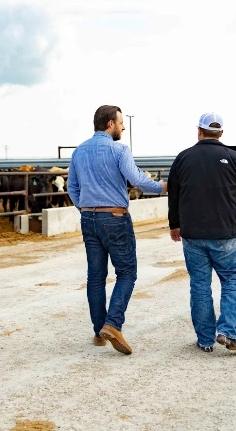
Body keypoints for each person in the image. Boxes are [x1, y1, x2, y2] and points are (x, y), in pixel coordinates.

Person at [67, 105, 167, 355]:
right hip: (115, 217)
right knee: (127, 272)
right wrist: (162, 187)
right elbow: (137, 180)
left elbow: (72, 187)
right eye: (121, 123)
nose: (123, 127)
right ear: (110, 123)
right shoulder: (120, 149)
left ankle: (99, 330)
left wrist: (85, 207)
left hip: (89, 217)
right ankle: (112, 324)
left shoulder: (79, 151)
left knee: (95, 276)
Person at [167, 112, 236, 353]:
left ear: (198, 131)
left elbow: (174, 196)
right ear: (221, 134)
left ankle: (205, 340)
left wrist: (174, 224)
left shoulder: (183, 158)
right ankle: (227, 332)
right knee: (232, 281)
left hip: (193, 236)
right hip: (226, 235)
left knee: (200, 286)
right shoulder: (234, 158)